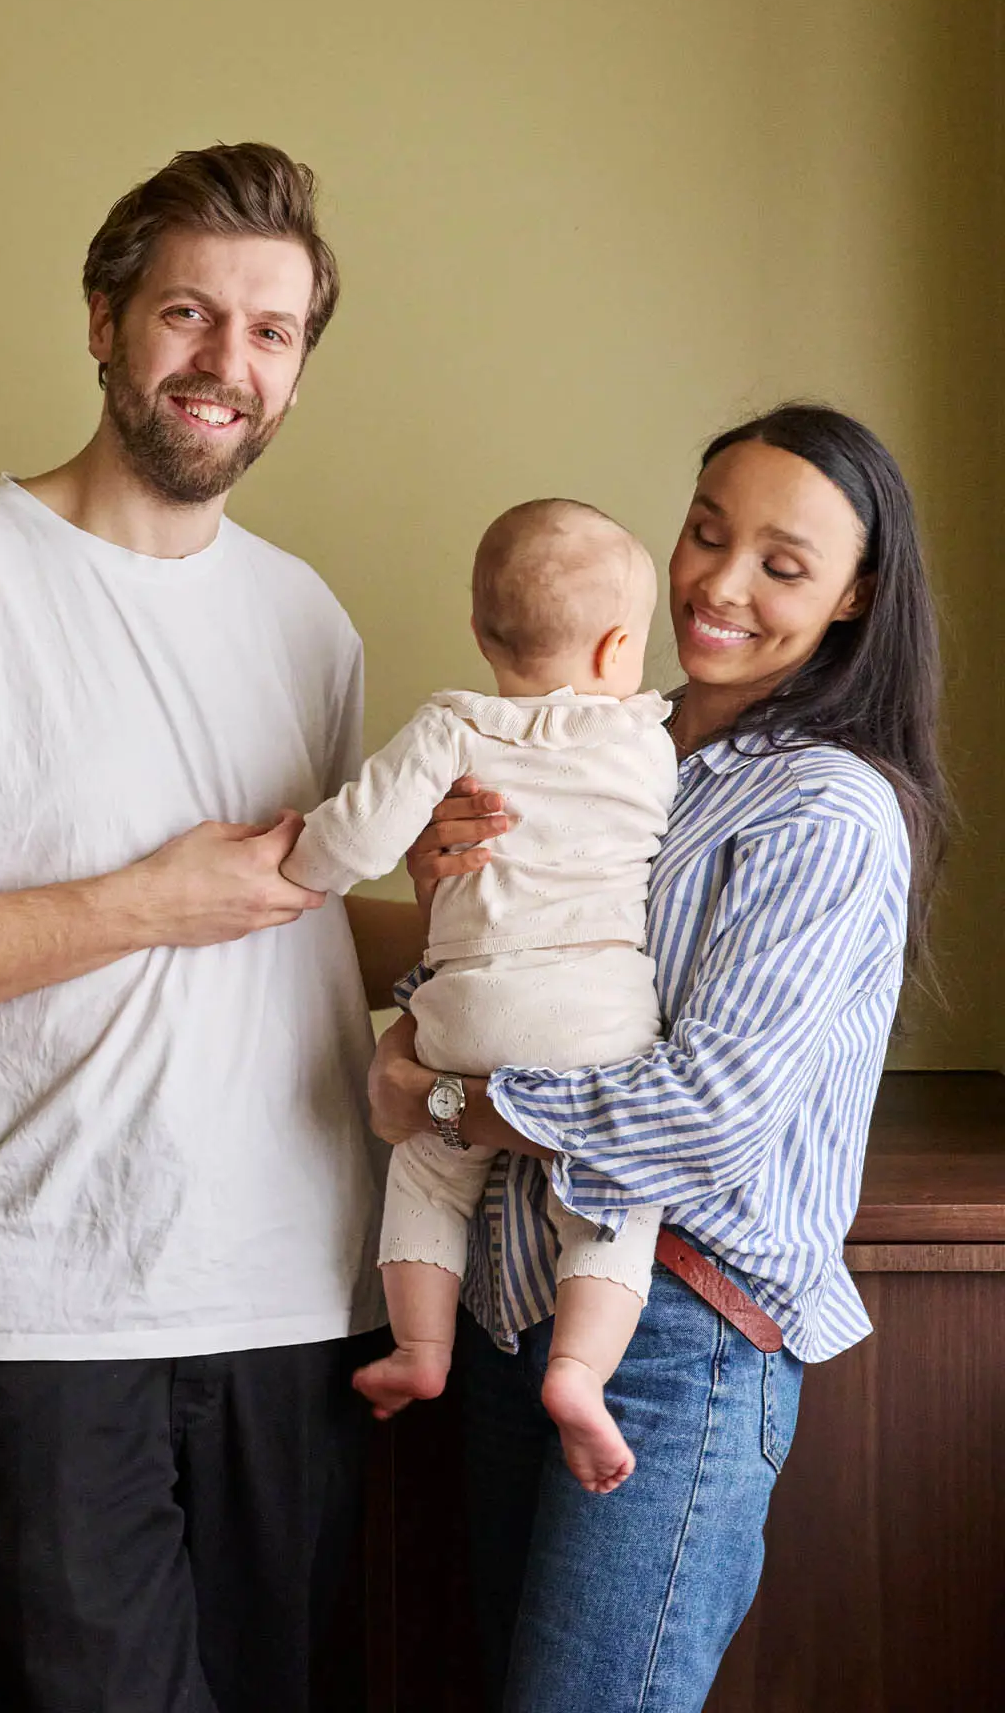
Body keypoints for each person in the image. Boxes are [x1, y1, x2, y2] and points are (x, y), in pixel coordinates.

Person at [0, 142, 425, 1713]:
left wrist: (486, 921)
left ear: (300, 371)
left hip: (300, 1284)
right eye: (190, 315)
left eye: (271, 334)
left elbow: (290, 932)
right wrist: (142, 903)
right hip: (34, 1301)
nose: (225, 365)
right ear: (107, 320)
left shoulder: (308, 621)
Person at [369, 404, 948, 1712]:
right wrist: (438, 893)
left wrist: (450, 1103)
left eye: (782, 566)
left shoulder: (826, 807)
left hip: (685, 1333)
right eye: (703, 533)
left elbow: (707, 1114)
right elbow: (501, 974)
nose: (720, 585)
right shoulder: (607, 738)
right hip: (520, 1306)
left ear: (855, 596)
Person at [282, 499, 677, 1494]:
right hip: (599, 1021)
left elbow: (347, 848)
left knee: (424, 1168)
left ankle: (420, 1346)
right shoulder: (647, 741)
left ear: (477, 632)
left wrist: (294, 847)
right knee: (614, 1203)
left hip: (465, 1020)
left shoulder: (454, 726)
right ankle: (579, 1373)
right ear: (621, 644)